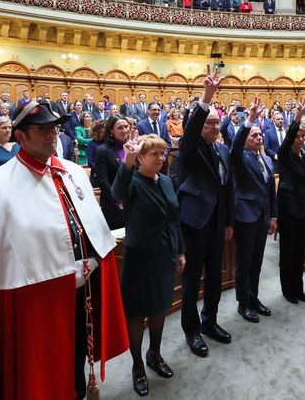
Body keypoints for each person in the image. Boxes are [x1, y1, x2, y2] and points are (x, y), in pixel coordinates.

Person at [0, 101, 128, 398]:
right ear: (20, 136)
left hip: (83, 289)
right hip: (35, 296)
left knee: (76, 360)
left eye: (55, 128)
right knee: (44, 373)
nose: (52, 134)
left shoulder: (74, 171)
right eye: (42, 129)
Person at [111, 132, 184, 397]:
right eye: (154, 153)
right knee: (136, 313)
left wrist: (181, 251)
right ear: (140, 157)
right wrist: (127, 161)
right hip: (140, 258)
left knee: (159, 308)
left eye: (162, 153)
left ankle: (154, 354)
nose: (160, 158)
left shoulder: (165, 181)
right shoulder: (131, 182)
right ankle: (137, 365)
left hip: (165, 255)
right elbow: (115, 192)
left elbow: (174, 219)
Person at [177, 67, 233, 357]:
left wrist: (227, 222)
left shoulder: (221, 151)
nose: (215, 127)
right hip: (195, 222)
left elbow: (226, 188)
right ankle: (191, 330)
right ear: (200, 127)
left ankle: (209, 321)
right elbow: (190, 132)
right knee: (192, 280)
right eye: (209, 123)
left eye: (217, 124)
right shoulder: (190, 147)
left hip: (215, 223)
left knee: (215, 276)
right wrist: (206, 98)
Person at [230, 96, 277, 322]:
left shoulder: (266, 160)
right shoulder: (240, 157)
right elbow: (236, 146)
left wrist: (273, 216)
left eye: (260, 135)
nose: (259, 138)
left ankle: (254, 297)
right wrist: (249, 120)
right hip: (245, 216)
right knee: (244, 261)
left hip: (262, 216)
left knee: (257, 261)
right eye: (254, 135)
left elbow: (270, 192)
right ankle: (243, 303)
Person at [276, 100, 305, 304]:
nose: (300, 139)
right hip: (288, 208)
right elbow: (289, 136)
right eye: (297, 136)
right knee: (288, 251)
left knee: (300, 251)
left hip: (302, 208)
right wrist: (298, 118)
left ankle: (298, 287)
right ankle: (288, 290)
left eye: (302, 136)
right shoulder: (285, 155)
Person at [95, 115, 130, 230]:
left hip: (134, 204)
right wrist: (118, 200)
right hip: (114, 206)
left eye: (126, 126)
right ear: (111, 130)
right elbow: (103, 182)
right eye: (120, 127)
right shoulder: (102, 150)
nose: (124, 130)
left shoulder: (132, 148)